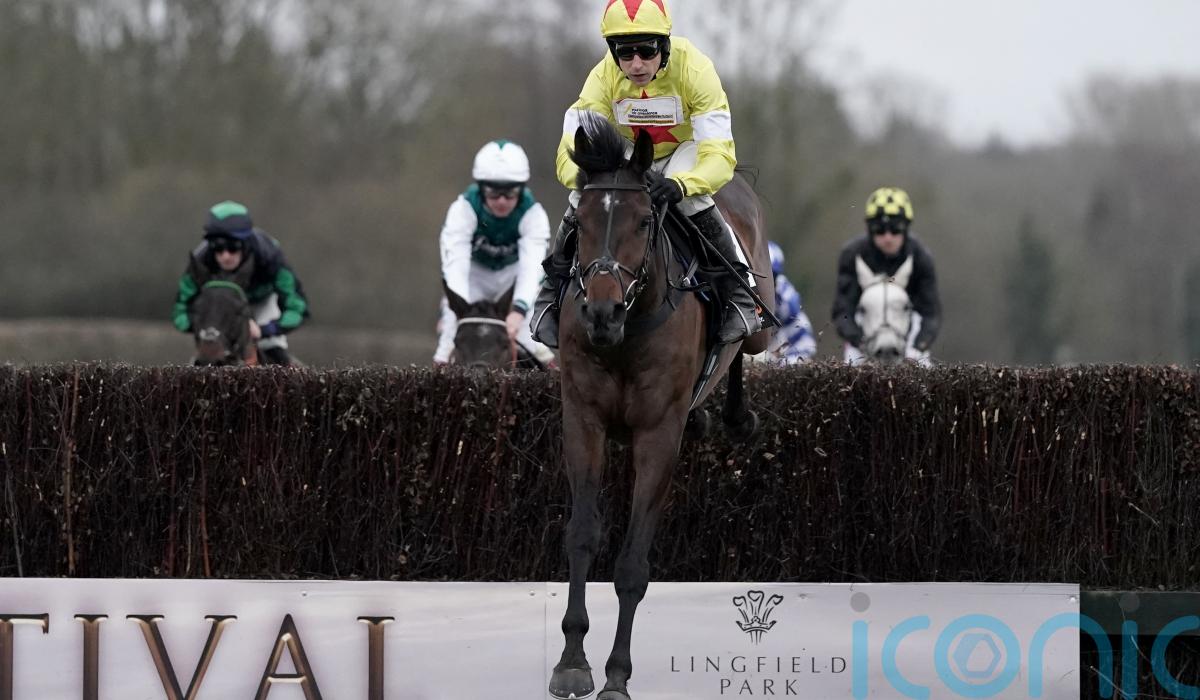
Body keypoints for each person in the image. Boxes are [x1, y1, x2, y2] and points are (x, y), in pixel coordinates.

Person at [530, 0, 762, 347]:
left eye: (646, 50)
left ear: (664, 45)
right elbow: (569, 152)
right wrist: (590, 178)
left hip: (685, 151)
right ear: (613, 52)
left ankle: (739, 293)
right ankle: (550, 293)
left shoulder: (696, 69)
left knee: (694, 199)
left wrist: (682, 184)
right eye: (625, 53)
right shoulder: (602, 77)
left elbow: (719, 155)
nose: (636, 64)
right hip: (631, 158)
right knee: (583, 196)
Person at [435, 140, 555, 365]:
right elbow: (455, 265)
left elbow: (532, 268)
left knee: (534, 343)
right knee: (449, 338)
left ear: (522, 189)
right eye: (493, 191)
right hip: (474, 276)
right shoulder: (462, 209)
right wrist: (460, 311)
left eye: (510, 192)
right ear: (481, 189)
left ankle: (550, 373)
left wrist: (518, 310)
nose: (501, 200)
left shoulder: (534, 214)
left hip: (513, 278)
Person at [172, 200, 309, 365]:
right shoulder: (200, 261)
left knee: (273, 348)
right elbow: (180, 310)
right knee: (206, 356)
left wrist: (266, 330)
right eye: (217, 247)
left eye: (233, 247)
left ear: (245, 244)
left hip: (261, 304)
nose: (225, 256)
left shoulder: (270, 257)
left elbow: (297, 307)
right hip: (221, 310)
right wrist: (200, 324)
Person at [831, 187, 941, 365]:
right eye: (879, 230)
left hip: (909, 335)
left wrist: (918, 347)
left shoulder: (921, 257)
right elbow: (843, 311)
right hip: (863, 335)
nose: (888, 237)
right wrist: (860, 342)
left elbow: (930, 315)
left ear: (906, 229)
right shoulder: (851, 254)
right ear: (869, 229)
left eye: (895, 229)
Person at [763, 241, 816, 364]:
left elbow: (804, 343)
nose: (767, 282)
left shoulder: (785, 297)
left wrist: (780, 364)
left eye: (772, 276)